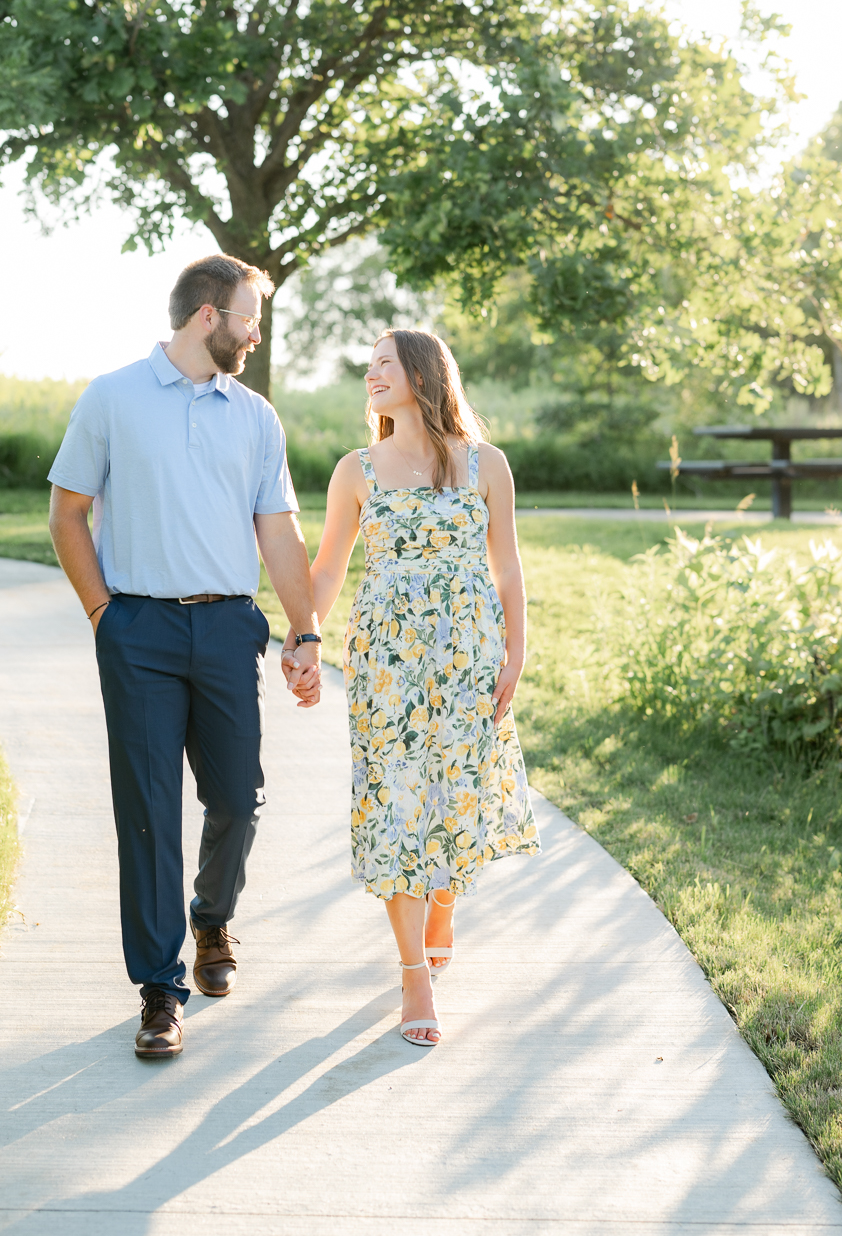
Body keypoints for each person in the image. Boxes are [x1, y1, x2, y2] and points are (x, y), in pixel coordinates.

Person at [49, 254, 322, 1062]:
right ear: (210, 316)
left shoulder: (255, 416)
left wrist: (303, 632)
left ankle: (211, 920)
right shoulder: (112, 398)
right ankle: (160, 989)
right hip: (139, 631)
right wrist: (104, 613)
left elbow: (278, 530)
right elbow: (66, 516)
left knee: (238, 799)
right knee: (148, 810)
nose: (255, 331)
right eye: (249, 316)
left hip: (229, 629)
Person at [289, 329, 539, 1047]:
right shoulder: (355, 469)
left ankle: (441, 899)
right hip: (386, 665)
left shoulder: (484, 464)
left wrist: (514, 651)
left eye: (383, 363)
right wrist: (303, 634)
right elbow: (330, 566)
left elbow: (509, 568)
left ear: (424, 375)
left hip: (466, 658)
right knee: (395, 802)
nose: (369, 374)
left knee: (454, 794)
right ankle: (412, 974)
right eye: (366, 364)